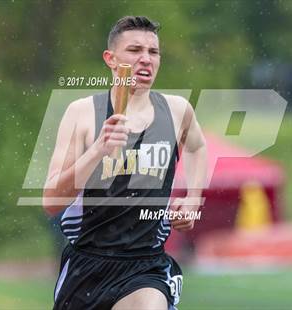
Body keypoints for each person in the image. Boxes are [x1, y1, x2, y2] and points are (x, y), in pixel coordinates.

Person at [43, 16, 207, 310]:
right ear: (110, 58)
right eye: (134, 50)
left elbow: (197, 147)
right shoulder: (81, 113)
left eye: (153, 52)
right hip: (87, 266)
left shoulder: (176, 110)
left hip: (146, 266)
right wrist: (97, 151)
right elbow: (52, 201)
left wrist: (193, 199)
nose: (145, 60)